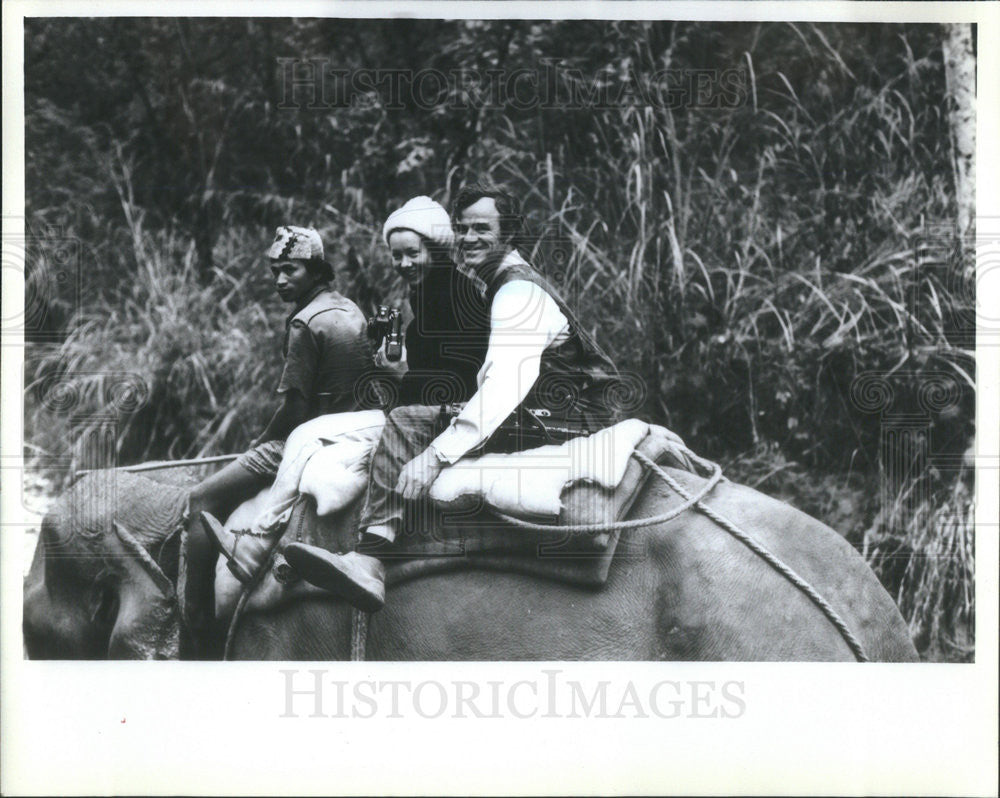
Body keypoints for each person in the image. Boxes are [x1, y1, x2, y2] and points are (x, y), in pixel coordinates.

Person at [282, 182, 623, 611]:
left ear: (510, 233)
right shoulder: (497, 284)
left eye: (482, 228)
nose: (468, 239)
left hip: (573, 416)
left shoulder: (516, 292)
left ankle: (370, 557)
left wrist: (435, 455)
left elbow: (502, 387)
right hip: (558, 406)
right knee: (423, 415)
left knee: (407, 422)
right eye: (462, 229)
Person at [181, 225, 370, 655]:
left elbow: (294, 410)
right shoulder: (350, 309)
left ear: (316, 270)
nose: (281, 280)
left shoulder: (305, 323)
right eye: (276, 271)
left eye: (291, 270)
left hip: (308, 437)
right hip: (352, 431)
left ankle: (197, 619)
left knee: (200, 499)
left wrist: (259, 444)